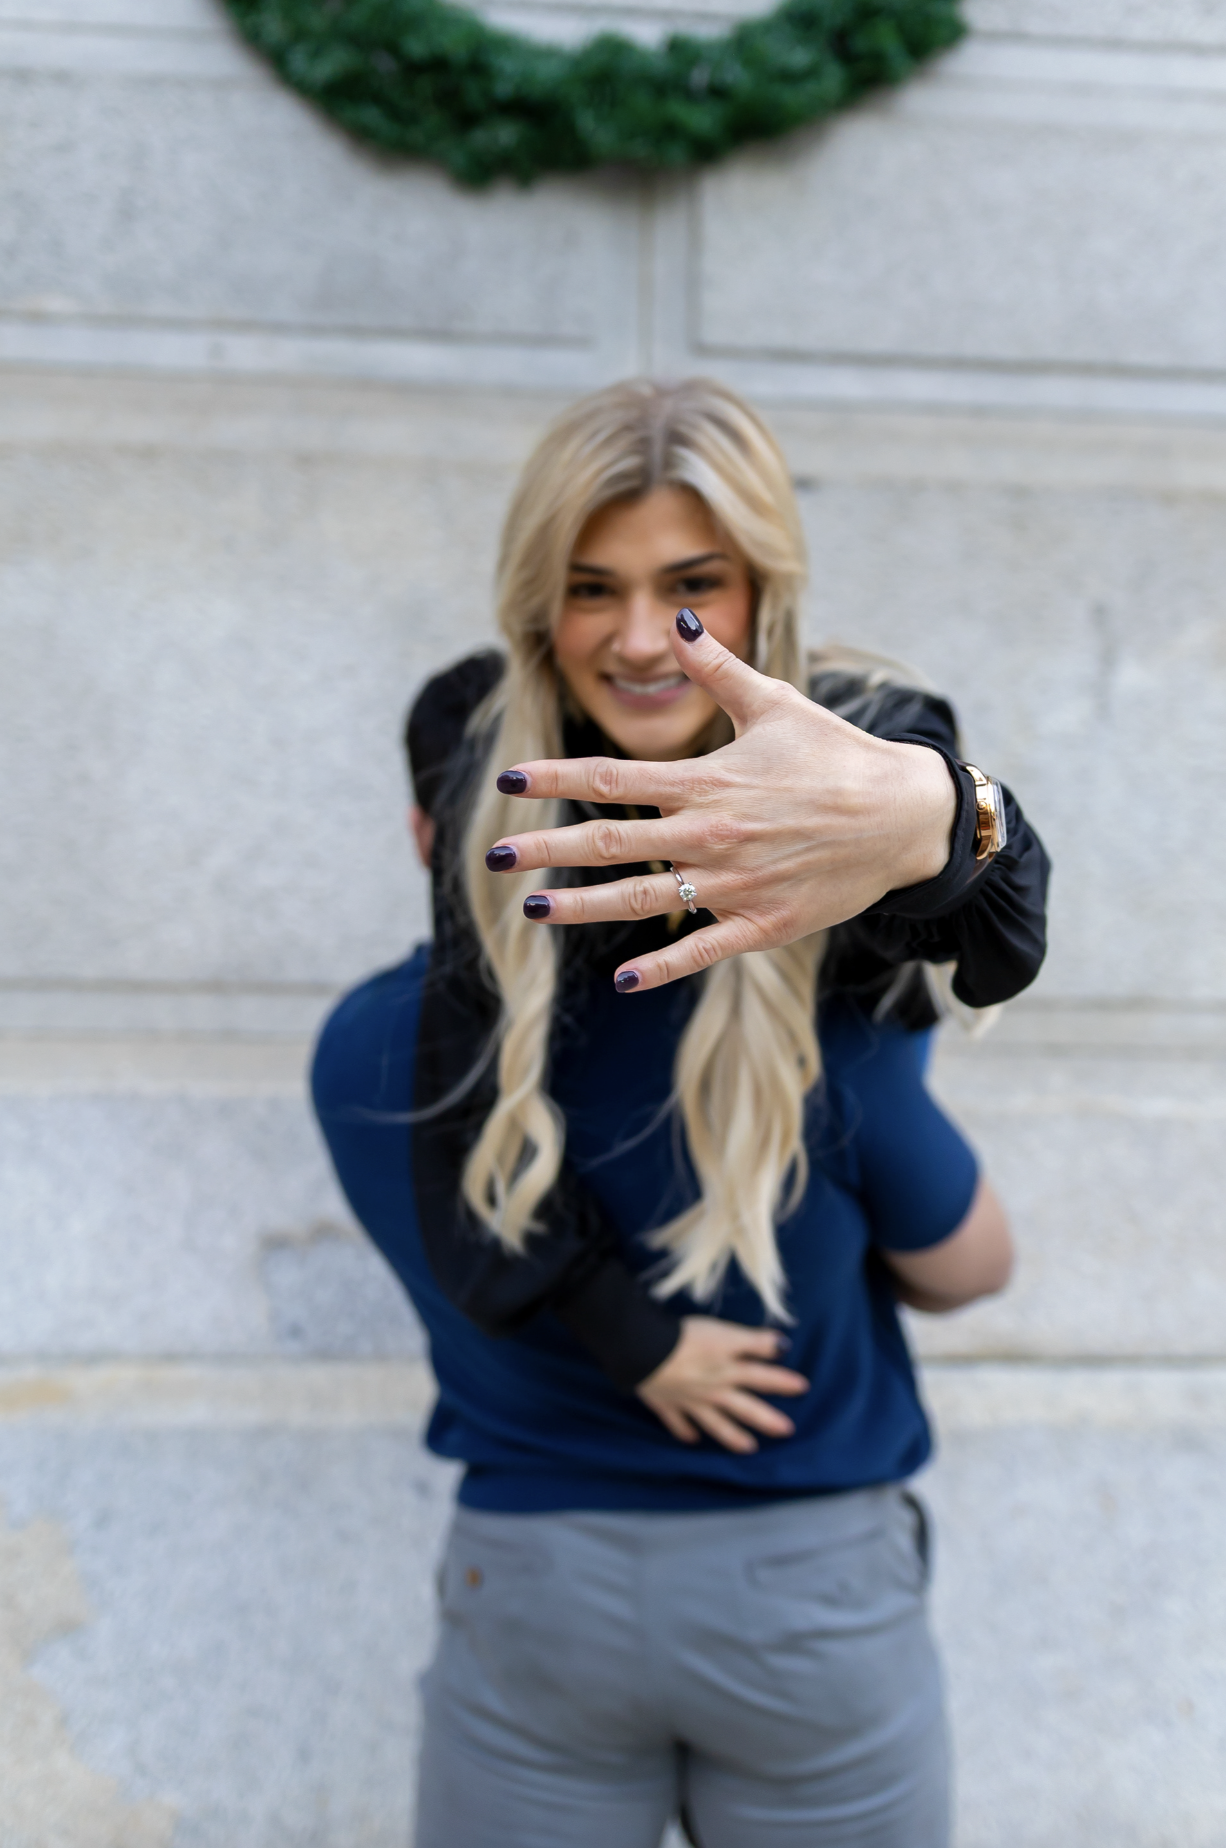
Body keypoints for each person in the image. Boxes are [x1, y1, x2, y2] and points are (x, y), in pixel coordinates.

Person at [312, 377, 1048, 1847]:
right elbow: (461, 1093)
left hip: (636, 1586)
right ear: (537, 602)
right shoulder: (480, 753)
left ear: (764, 585)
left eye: (690, 586)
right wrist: (630, 1333)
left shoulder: (869, 740)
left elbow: (996, 939)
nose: (643, 637)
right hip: (723, 1589)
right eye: (592, 587)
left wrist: (946, 812)